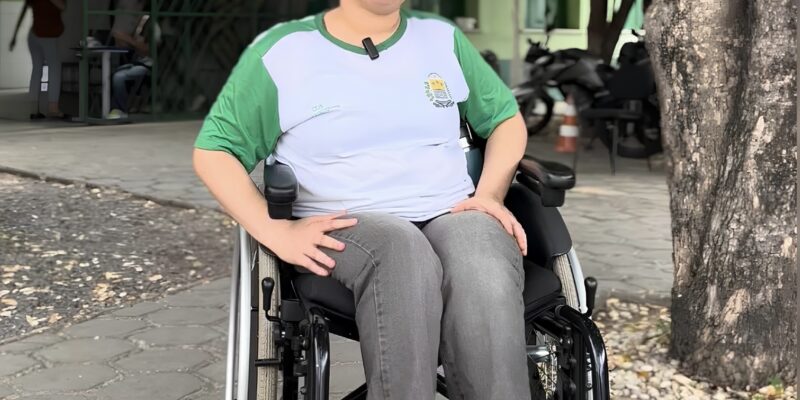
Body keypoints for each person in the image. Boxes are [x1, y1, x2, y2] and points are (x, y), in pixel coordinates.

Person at [193, 1, 530, 399]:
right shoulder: (284, 51)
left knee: (481, 250)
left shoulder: (442, 38)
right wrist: (275, 232)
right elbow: (215, 151)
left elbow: (505, 119)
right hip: (348, 222)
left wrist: (490, 193)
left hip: (450, 208)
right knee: (400, 248)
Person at [9, 0, 68, 120]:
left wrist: (14, 36)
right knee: (54, 69)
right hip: (48, 34)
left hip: (34, 34)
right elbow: (62, 6)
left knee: (37, 70)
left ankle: (33, 109)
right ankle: (53, 109)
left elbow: (23, 12)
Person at [108, 13, 155, 119]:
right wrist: (121, 39)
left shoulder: (153, 26)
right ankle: (114, 108)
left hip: (148, 64)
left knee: (119, 77)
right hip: (137, 62)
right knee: (111, 74)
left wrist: (128, 39)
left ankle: (120, 110)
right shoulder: (139, 24)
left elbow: (147, 49)